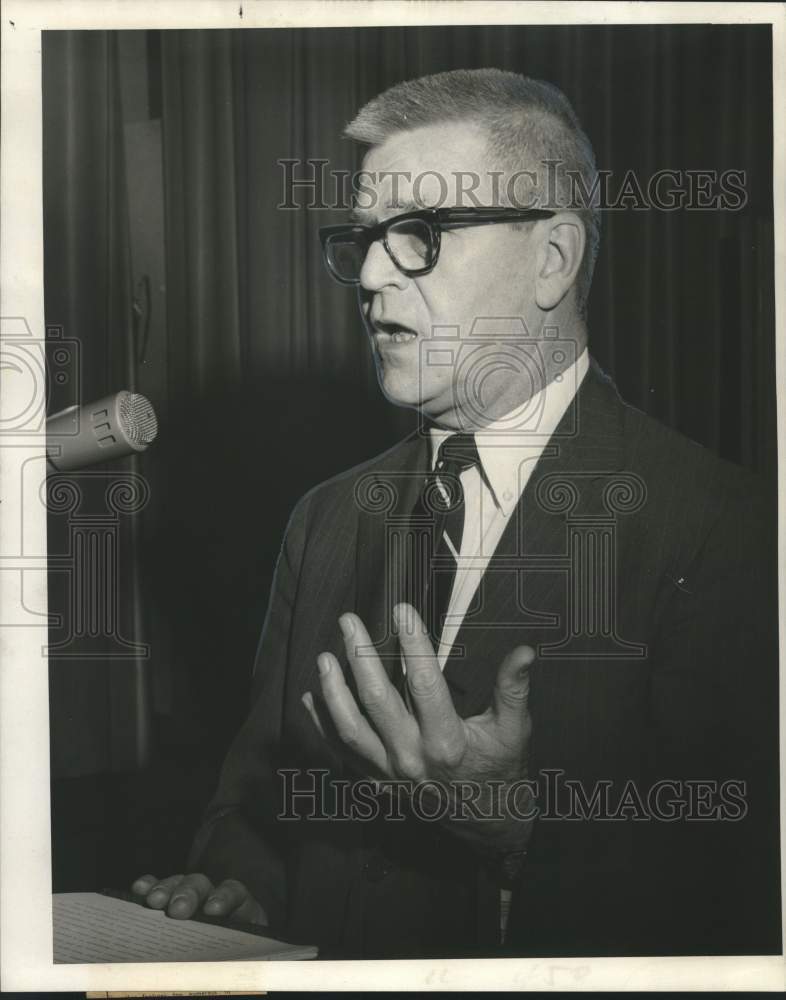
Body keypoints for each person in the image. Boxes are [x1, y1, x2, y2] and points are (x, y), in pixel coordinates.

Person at [131, 69, 779, 958]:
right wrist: (243, 886)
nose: (367, 276)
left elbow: (749, 905)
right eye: (361, 241)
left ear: (553, 258)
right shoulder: (323, 521)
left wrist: (517, 830)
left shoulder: (729, 530)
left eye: (420, 235)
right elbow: (257, 806)